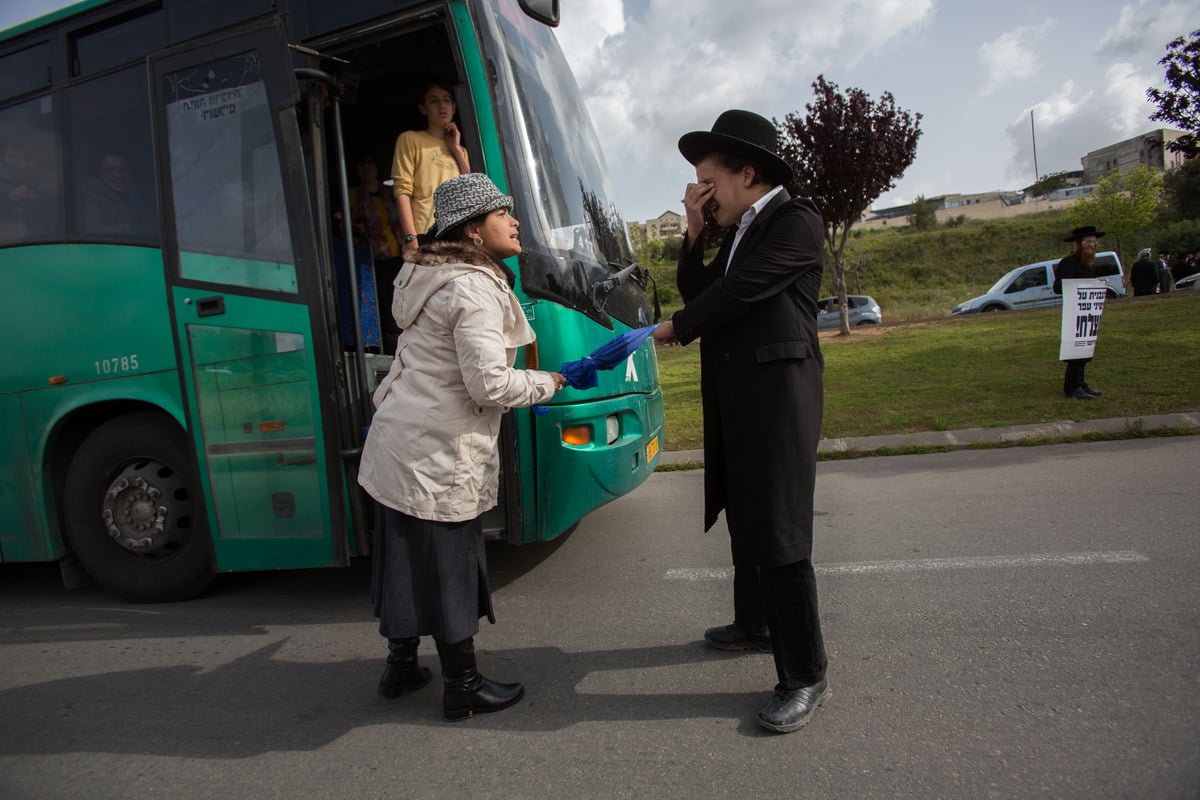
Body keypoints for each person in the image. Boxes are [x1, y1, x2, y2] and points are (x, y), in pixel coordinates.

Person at [358, 172, 567, 722]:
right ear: (474, 231)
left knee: (402, 558)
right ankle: (463, 685)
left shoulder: (432, 276)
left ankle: (401, 668)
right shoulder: (472, 287)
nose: (515, 221)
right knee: (449, 563)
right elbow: (490, 385)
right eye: (503, 213)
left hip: (400, 442)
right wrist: (549, 383)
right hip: (436, 451)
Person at [650, 110, 829, 734]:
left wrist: (675, 329)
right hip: (738, 397)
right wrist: (695, 228)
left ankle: (805, 673)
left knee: (778, 530)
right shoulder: (740, 229)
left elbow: (738, 294)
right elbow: (699, 288)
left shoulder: (795, 221)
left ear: (747, 172)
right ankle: (754, 622)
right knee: (746, 513)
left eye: (707, 183)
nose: (698, 194)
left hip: (778, 399)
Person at [391, 78, 470, 251]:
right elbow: (402, 191)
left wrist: (456, 149)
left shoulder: (460, 150)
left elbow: (469, 190)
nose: (442, 106)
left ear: (454, 107)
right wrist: (412, 238)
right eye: (434, 100)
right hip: (425, 236)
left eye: (446, 100)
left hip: (457, 239)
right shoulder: (411, 139)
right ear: (423, 108)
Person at [348, 152, 406, 351]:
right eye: (361, 163)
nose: (366, 167)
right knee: (378, 305)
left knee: (397, 305)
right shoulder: (352, 195)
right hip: (369, 260)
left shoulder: (391, 193)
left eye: (369, 161)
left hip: (397, 256)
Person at [1052, 225, 1105, 400]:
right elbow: (1058, 287)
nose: (1092, 245)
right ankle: (1072, 387)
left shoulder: (1088, 264)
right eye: (1088, 242)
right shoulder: (1068, 263)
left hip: (1087, 313)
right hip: (1074, 313)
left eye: (1094, 242)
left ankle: (1081, 383)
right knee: (1075, 352)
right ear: (1078, 244)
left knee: (1085, 349)